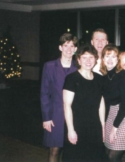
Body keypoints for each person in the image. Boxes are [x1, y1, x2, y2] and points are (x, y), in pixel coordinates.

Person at [62, 44, 106, 161]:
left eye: (91, 57)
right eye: (84, 57)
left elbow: (101, 103)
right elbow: (67, 106)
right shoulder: (72, 79)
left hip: (94, 126)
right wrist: (71, 130)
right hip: (77, 125)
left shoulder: (99, 79)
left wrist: (103, 126)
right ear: (79, 60)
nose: (88, 60)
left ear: (96, 59)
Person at [40, 33, 78, 162]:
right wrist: (46, 118)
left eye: (71, 46)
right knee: (54, 150)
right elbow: (44, 93)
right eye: (65, 46)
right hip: (55, 114)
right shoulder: (50, 66)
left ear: (75, 49)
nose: (68, 49)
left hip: (75, 115)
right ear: (60, 48)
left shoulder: (79, 67)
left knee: (73, 150)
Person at [100, 44, 125, 162]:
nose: (110, 60)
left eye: (114, 57)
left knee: (113, 156)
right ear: (103, 59)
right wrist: (104, 125)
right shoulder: (105, 77)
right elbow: (105, 103)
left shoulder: (123, 75)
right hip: (112, 113)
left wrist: (114, 129)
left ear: (117, 60)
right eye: (107, 56)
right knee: (107, 152)